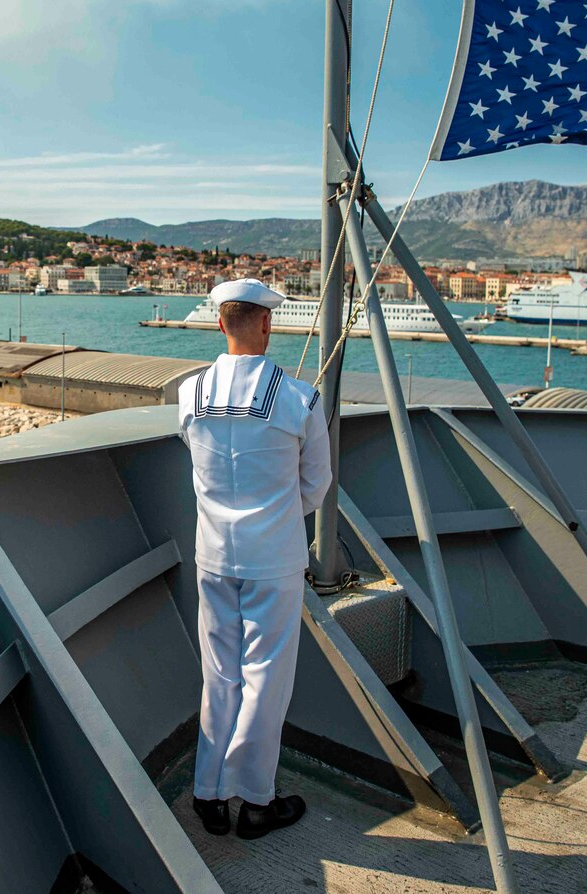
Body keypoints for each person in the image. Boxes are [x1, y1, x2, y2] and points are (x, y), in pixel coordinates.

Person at [176, 278, 333, 840]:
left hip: (213, 555)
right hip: (274, 559)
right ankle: (257, 801)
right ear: (268, 325)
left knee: (218, 674)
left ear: (221, 323)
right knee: (265, 678)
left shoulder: (189, 396)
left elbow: (200, 466)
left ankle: (209, 795)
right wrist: (277, 518)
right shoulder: (299, 400)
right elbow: (316, 485)